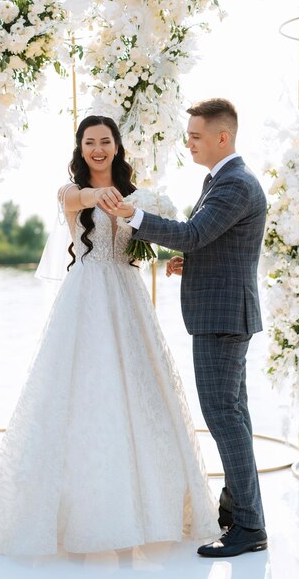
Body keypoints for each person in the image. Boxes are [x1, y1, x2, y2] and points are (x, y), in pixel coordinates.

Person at [0, 115, 219, 557]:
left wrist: (171, 261)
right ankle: (81, 517)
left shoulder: (141, 197)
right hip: (85, 298)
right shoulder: (71, 193)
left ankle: (148, 511)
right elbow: (75, 196)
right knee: (83, 396)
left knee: (141, 398)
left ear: (117, 146)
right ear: (81, 150)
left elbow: (143, 247)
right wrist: (95, 194)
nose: (97, 149)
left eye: (105, 141)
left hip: (128, 297)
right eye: (89, 143)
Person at [108, 99, 268, 558]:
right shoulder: (221, 180)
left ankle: (250, 526)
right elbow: (212, 242)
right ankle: (237, 507)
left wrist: (132, 216)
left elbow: (195, 232)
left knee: (224, 418)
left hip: (222, 319)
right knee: (233, 416)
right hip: (223, 313)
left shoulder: (235, 183)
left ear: (223, 137)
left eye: (196, 135)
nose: (189, 141)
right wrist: (190, 263)